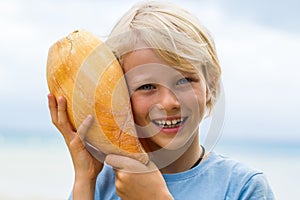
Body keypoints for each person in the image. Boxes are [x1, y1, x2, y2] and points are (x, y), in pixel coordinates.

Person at [47, 1, 275, 199]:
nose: (168, 102)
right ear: (121, 96)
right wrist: (84, 182)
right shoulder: (101, 185)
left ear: (211, 85)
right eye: (147, 87)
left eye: (185, 80)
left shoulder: (243, 187)